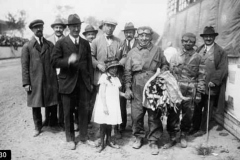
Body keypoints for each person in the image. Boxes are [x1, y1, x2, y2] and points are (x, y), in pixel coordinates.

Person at [51, 14, 93, 150]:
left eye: (78, 26)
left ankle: (84, 137)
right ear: (68, 28)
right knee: (67, 112)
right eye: (74, 26)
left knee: (83, 111)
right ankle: (70, 139)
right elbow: (53, 62)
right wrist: (68, 61)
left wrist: (90, 82)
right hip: (67, 84)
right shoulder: (61, 43)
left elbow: (89, 64)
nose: (76, 29)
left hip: (83, 84)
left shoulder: (85, 43)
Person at [124, 26, 168, 155]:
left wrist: (163, 72)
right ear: (137, 36)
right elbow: (127, 72)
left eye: (147, 35)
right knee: (136, 114)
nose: (144, 38)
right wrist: (127, 87)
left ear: (151, 37)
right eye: (141, 35)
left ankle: (153, 140)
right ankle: (138, 137)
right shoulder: (132, 53)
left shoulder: (158, 50)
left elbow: (165, 64)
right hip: (137, 85)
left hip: (153, 85)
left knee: (154, 115)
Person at [21, 19, 59, 137]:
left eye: (40, 27)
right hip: (35, 80)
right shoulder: (27, 46)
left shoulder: (50, 45)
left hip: (49, 79)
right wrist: (26, 83)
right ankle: (37, 127)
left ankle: (52, 123)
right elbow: (24, 66)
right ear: (32, 30)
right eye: (36, 28)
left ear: (43, 28)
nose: (38, 29)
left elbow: (54, 62)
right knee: (36, 104)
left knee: (52, 101)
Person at [169, 33, 205, 148]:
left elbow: (202, 76)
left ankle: (183, 134)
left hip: (191, 88)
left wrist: (199, 92)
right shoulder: (175, 56)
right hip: (176, 88)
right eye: (185, 41)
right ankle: (173, 136)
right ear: (182, 41)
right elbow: (170, 74)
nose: (188, 43)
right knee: (173, 113)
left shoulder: (198, 57)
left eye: (191, 41)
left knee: (188, 114)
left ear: (194, 43)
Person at [193, 26, 228, 137]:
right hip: (199, 84)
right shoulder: (199, 49)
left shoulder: (220, 52)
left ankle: (203, 129)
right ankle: (194, 127)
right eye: (206, 36)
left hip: (210, 85)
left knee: (208, 108)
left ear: (214, 37)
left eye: (210, 36)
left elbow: (223, 68)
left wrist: (214, 80)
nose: (208, 38)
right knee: (197, 106)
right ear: (203, 38)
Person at [91, 18, 123, 138]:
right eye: (108, 25)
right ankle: (100, 134)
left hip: (115, 76)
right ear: (103, 26)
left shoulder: (119, 41)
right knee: (101, 103)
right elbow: (91, 56)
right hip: (101, 75)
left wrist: (118, 65)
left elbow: (124, 56)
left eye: (112, 26)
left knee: (114, 102)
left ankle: (115, 130)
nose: (110, 28)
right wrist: (98, 64)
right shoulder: (96, 41)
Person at [91, 57, 126, 152]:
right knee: (103, 124)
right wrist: (105, 106)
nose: (114, 69)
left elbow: (116, 91)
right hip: (105, 103)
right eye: (112, 67)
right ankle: (102, 143)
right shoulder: (104, 77)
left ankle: (109, 141)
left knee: (110, 123)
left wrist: (124, 94)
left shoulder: (116, 78)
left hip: (113, 104)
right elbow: (102, 93)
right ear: (108, 68)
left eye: (116, 67)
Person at [115, 22, 138, 134]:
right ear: (124, 33)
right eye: (127, 32)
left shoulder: (139, 44)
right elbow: (116, 59)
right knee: (121, 102)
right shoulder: (121, 44)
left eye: (131, 32)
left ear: (134, 33)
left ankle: (136, 128)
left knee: (136, 103)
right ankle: (122, 126)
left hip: (135, 77)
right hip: (122, 77)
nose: (129, 34)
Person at [45, 18, 66, 129]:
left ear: (63, 28)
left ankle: (62, 120)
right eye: (56, 27)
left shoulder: (67, 40)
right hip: (51, 71)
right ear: (53, 28)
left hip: (63, 71)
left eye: (60, 27)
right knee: (50, 94)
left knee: (62, 96)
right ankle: (50, 119)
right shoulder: (47, 40)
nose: (58, 29)